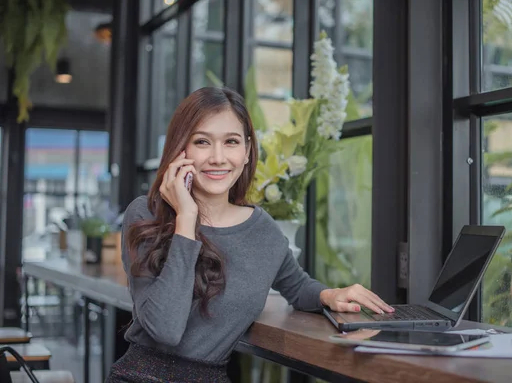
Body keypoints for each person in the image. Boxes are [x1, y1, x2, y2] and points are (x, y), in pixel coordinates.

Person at [106, 87, 394, 382]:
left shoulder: (262, 229)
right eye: (202, 141)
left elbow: (296, 286)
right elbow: (165, 328)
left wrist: (331, 294)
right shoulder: (146, 215)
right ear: (181, 150)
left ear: (246, 152)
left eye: (231, 142)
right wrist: (186, 219)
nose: (218, 157)